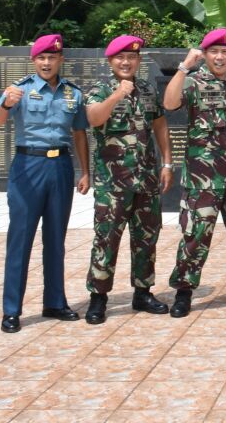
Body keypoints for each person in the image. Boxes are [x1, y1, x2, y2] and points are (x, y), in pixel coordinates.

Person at [0, 33, 90, 333]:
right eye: (41, 58)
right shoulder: (18, 90)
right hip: (28, 165)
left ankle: (55, 302)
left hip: (60, 166)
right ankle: (11, 310)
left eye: (52, 57)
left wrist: (84, 170)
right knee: (20, 239)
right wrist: (6, 104)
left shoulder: (74, 93)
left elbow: (80, 133)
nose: (47, 62)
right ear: (34, 61)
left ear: (61, 60)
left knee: (56, 238)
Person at [163, 28, 226, 317]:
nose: (220, 57)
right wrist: (184, 66)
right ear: (206, 54)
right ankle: (183, 292)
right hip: (203, 179)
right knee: (195, 235)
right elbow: (169, 104)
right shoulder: (193, 82)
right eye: (215, 52)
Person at [82, 35, 172, 323]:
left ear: (138, 60)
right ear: (110, 61)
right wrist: (118, 94)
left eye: (131, 57)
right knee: (106, 239)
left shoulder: (147, 89)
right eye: (120, 57)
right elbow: (93, 119)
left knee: (146, 237)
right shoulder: (100, 89)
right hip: (112, 184)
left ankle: (143, 292)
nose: (126, 62)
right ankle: (98, 297)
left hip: (145, 179)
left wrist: (167, 162)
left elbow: (159, 124)